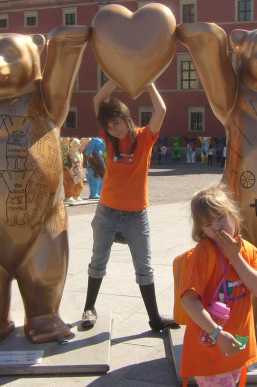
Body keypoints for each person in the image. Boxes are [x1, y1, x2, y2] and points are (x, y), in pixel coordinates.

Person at [81, 80, 178, 332]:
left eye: (117, 122)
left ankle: (154, 319)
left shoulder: (146, 137)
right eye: (109, 125)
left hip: (136, 215)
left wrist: (148, 84)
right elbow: (96, 101)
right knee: (97, 261)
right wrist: (114, 80)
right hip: (107, 211)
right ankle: (89, 308)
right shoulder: (109, 139)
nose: (113, 129)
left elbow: (161, 110)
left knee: (144, 267)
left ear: (126, 118)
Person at [179, 187, 257, 386]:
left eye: (221, 218)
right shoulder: (204, 252)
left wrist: (235, 258)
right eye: (208, 224)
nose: (217, 228)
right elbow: (188, 299)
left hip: (237, 344)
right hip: (210, 347)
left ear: (233, 214)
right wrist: (216, 333)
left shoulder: (249, 251)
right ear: (200, 230)